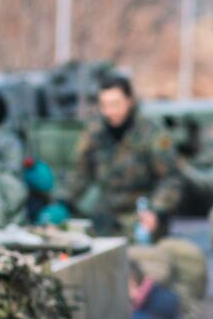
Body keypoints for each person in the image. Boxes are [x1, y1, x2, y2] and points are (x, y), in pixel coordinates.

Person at [63, 73, 184, 238]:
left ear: (129, 101)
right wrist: (62, 201)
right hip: (106, 217)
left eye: (115, 104)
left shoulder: (151, 133)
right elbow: (79, 173)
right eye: (104, 105)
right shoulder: (95, 132)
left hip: (141, 218)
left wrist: (155, 211)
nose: (109, 111)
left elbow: (171, 179)